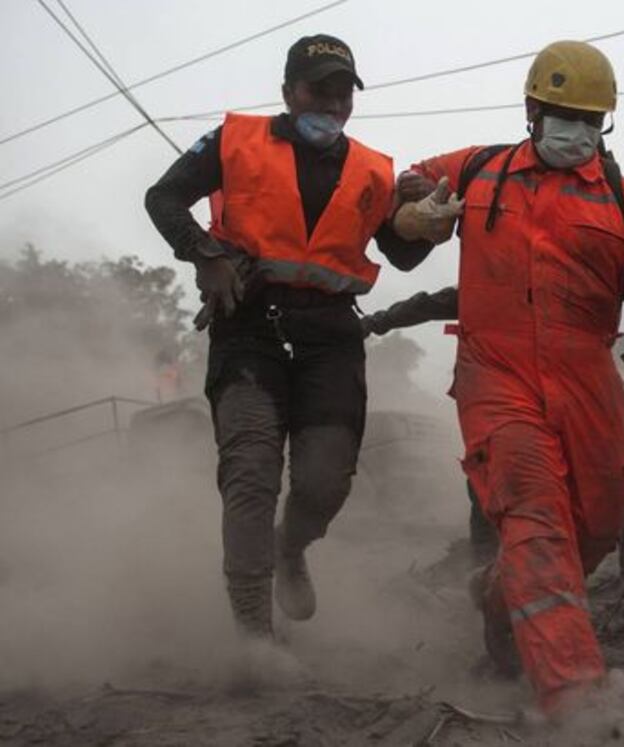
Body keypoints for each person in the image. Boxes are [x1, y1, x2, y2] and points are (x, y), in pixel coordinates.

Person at [391, 40, 624, 714]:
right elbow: (408, 187)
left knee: (592, 523)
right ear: (532, 110)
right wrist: (414, 214)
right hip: (494, 372)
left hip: (587, 377)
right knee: (536, 512)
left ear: (606, 124)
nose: (575, 128)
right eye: (562, 112)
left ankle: (499, 591)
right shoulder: (480, 171)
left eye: (589, 117)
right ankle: (576, 699)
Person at [144, 35, 432, 639]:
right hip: (247, 326)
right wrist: (205, 254)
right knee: (250, 473)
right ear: (287, 92)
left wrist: (430, 215)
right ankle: (254, 639)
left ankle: (290, 547)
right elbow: (163, 197)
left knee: (325, 481)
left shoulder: (372, 170)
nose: (330, 104)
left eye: (341, 93)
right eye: (317, 89)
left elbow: (403, 256)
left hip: (330, 336)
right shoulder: (234, 142)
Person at [361, 287, 624, 579]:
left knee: (596, 465)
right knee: (486, 472)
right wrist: (375, 322)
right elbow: (430, 304)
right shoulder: (491, 286)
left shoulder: (563, 285)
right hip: (502, 395)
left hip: (561, 387)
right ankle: (484, 565)